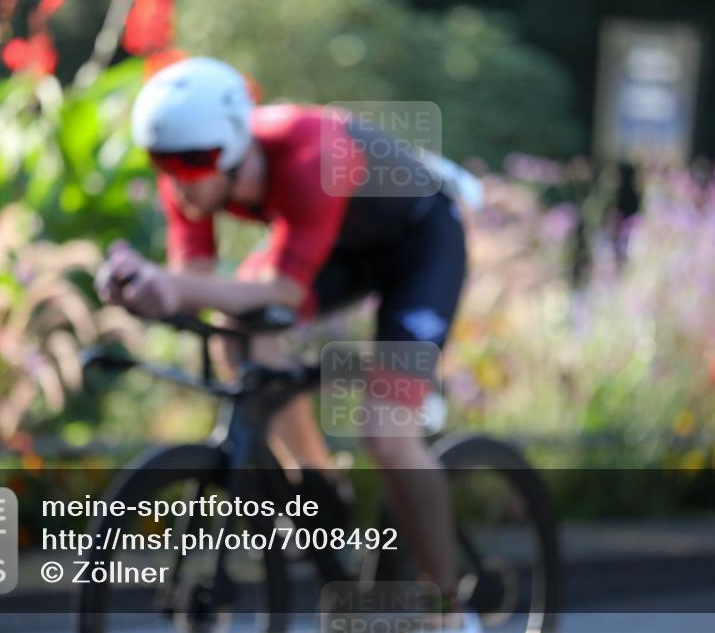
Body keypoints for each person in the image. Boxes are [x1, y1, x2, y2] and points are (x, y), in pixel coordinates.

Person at [95, 57, 480, 632]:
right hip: (340, 245)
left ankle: (452, 610)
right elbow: (196, 281)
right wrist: (146, 289)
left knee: (388, 436)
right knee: (240, 333)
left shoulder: (310, 150)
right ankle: (319, 486)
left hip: (422, 243)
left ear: (230, 146)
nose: (180, 179)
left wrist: (174, 286)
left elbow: (278, 287)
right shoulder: (190, 172)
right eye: (163, 163)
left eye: (195, 161)